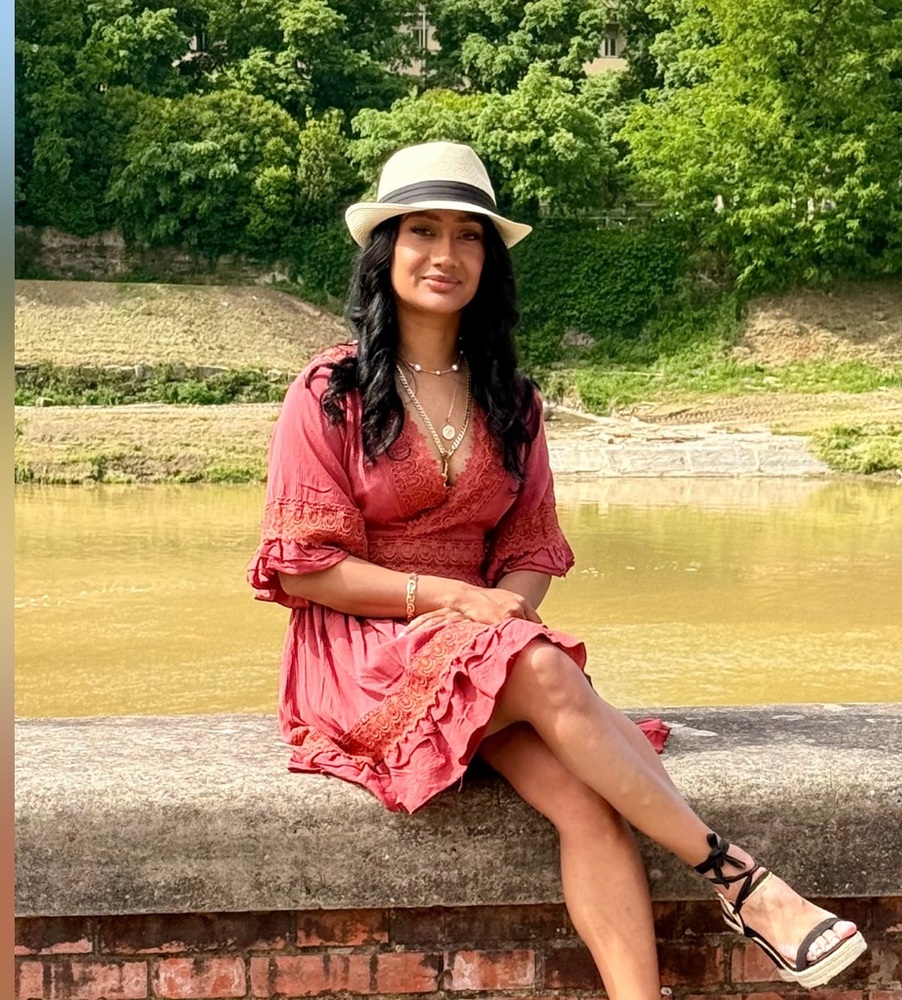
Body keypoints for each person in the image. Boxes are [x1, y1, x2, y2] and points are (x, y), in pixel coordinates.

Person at [248, 141, 866, 993]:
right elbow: (303, 569)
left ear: (489, 262)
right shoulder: (332, 390)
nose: (446, 255)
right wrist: (459, 601)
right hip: (361, 648)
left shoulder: (512, 395)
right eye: (421, 231)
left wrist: (501, 607)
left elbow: (532, 548)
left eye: (469, 237)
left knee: (587, 800)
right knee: (541, 667)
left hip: (483, 645)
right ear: (384, 249)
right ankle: (744, 884)